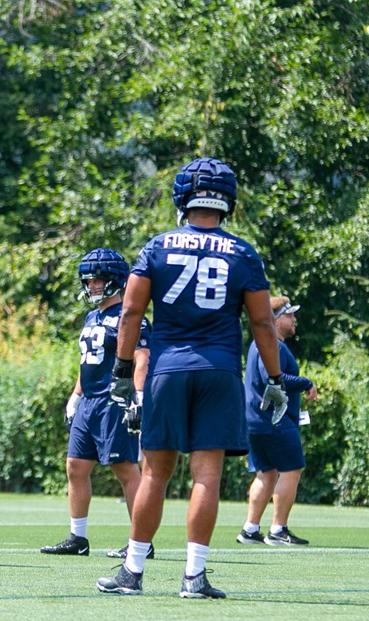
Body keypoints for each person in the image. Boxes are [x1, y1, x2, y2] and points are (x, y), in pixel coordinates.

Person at [96, 157, 287, 598]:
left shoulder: (157, 247)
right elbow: (262, 324)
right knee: (207, 476)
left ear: (183, 197)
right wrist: (275, 378)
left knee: (154, 475)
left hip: (167, 370)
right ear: (227, 201)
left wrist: (123, 370)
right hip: (219, 370)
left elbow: (130, 311)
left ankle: (133, 571)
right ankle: (194, 577)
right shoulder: (242, 252)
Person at [40, 249, 152, 558]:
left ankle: (141, 540)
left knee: (124, 468)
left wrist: (138, 398)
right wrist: (76, 396)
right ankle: (78, 538)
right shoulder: (93, 316)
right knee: (75, 467)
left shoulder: (131, 316)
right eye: (88, 282)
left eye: (97, 281)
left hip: (114, 401)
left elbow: (142, 359)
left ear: (115, 281)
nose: (91, 287)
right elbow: (87, 362)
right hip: (89, 401)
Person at [237, 296, 318, 547]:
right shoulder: (270, 342)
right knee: (292, 468)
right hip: (274, 419)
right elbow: (274, 378)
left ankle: (250, 530)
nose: (294, 319)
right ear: (274, 319)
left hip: (259, 420)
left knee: (267, 473)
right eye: (289, 315)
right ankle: (278, 529)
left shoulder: (266, 343)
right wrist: (306, 382)